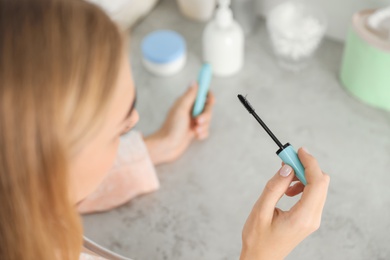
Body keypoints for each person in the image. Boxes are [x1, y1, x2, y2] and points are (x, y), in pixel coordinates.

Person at [0, 1, 330, 260]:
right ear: (43, 168)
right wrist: (260, 256)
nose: (135, 122)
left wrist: (159, 145)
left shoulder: (17, 201)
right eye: (118, 131)